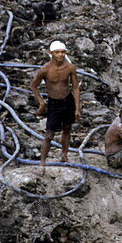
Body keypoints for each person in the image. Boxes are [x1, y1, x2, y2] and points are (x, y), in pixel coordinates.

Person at [30, 40, 81, 169]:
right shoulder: (45, 69)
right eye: (57, 52)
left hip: (67, 101)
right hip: (54, 103)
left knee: (67, 129)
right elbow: (33, 86)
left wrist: (77, 107)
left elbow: (75, 87)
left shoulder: (70, 67)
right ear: (51, 53)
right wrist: (41, 102)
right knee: (49, 135)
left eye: (63, 52)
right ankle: (42, 162)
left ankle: (64, 155)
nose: (61, 55)